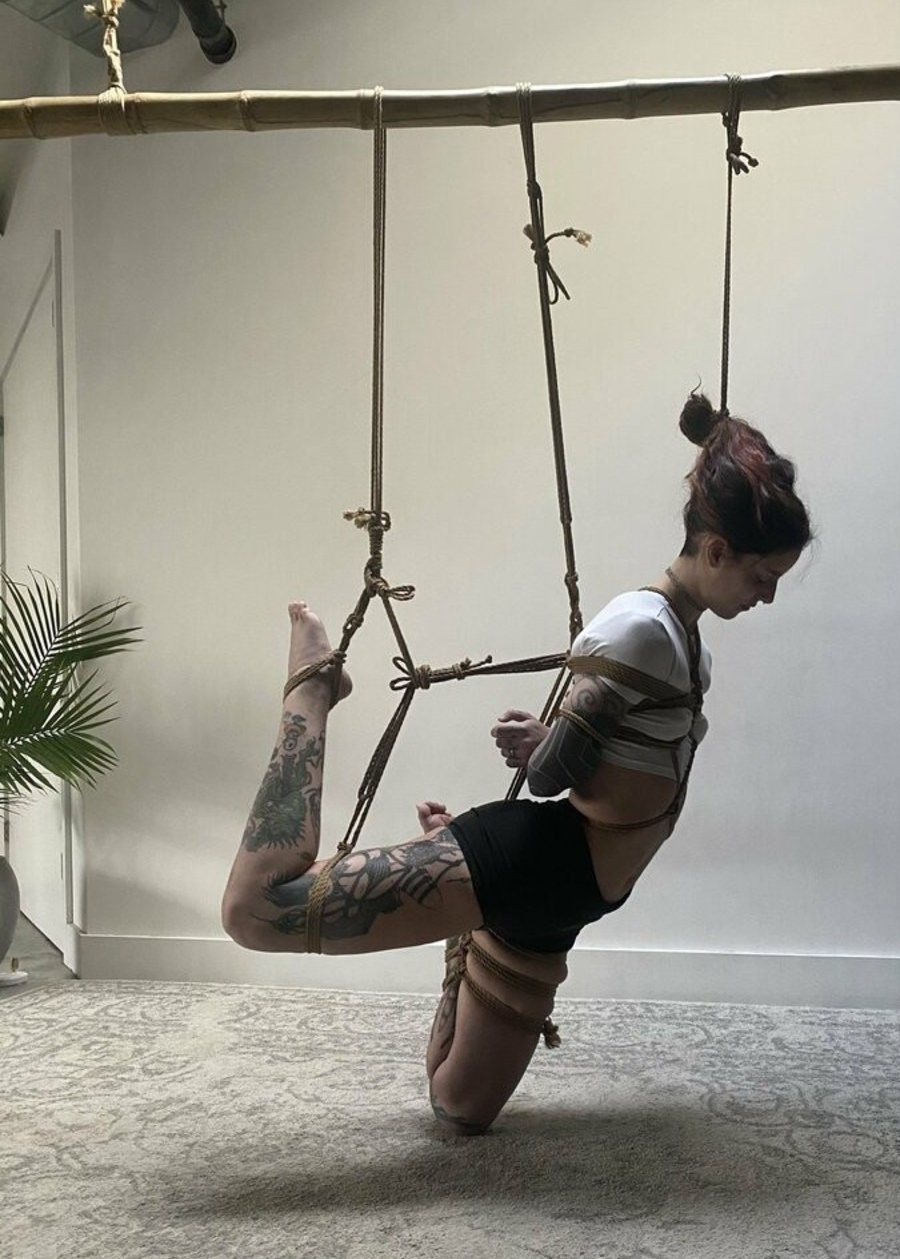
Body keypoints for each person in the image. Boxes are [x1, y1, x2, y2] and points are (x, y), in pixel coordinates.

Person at [221, 390, 814, 1134]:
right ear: (718, 550)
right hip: (530, 864)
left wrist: (554, 740)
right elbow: (547, 778)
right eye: (762, 577)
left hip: (566, 899)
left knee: (459, 1106)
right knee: (255, 910)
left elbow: (593, 758)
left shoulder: (684, 640)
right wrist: (549, 746)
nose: (767, 596)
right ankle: (312, 688)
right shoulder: (640, 629)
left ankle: (463, 927)